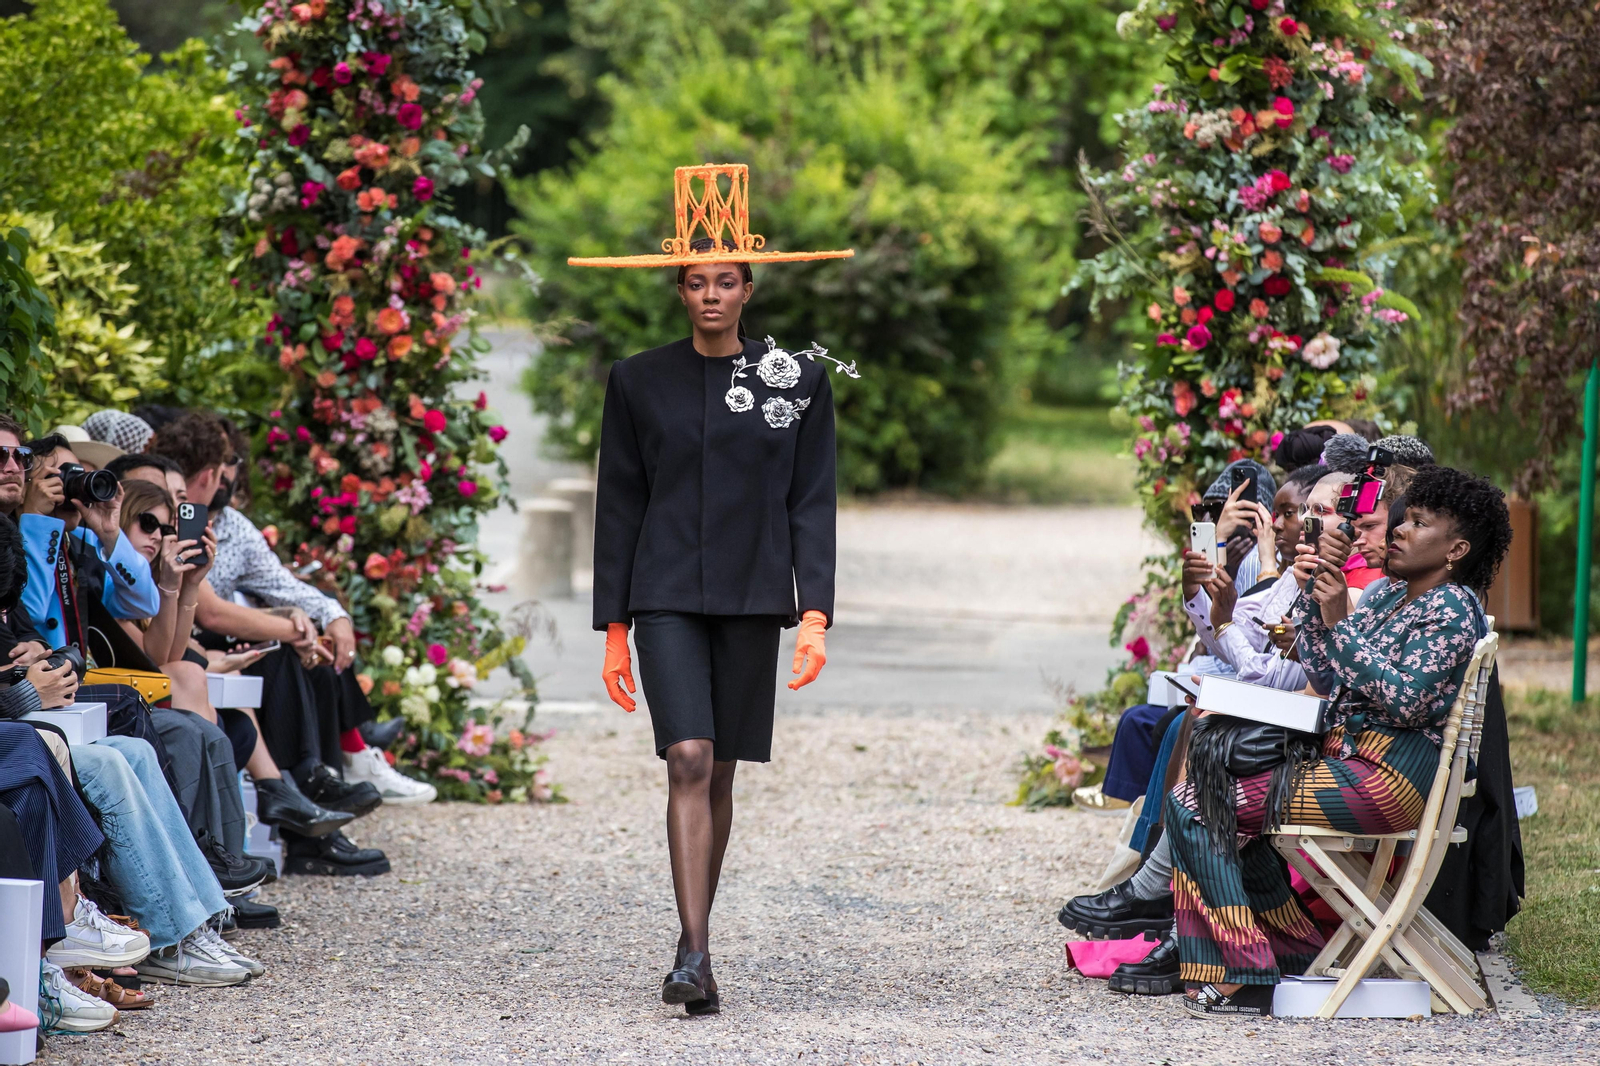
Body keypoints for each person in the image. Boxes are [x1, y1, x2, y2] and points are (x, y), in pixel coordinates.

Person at [582, 165, 851, 1014]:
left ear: (748, 289)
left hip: (751, 593)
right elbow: (620, 502)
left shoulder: (796, 380)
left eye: (725, 280)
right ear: (678, 289)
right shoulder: (637, 381)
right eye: (696, 281)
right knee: (689, 756)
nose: (710, 295)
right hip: (663, 590)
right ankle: (695, 953)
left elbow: (811, 501)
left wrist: (814, 615)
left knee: (722, 770)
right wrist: (614, 628)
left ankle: (692, 936)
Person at [1165, 465, 1511, 1019]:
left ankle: (1247, 970)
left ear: (1456, 550)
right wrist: (1317, 592)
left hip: (1389, 780)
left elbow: (1408, 701)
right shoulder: (1388, 595)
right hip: (1348, 763)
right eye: (1403, 520)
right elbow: (1326, 674)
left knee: (1198, 806)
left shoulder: (1451, 609)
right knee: (1201, 795)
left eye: (1418, 524)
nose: (1399, 530)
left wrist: (1340, 624)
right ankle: (1290, 949)